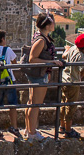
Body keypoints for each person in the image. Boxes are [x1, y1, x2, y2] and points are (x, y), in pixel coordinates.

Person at [23, 13, 64, 142]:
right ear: (47, 25)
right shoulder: (41, 40)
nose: (54, 25)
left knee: (31, 103)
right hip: (39, 76)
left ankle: (28, 129)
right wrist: (51, 63)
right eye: (53, 22)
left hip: (39, 74)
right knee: (35, 104)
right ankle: (32, 133)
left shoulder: (41, 37)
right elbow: (32, 59)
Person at [60, 33, 84, 138]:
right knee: (71, 106)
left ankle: (61, 126)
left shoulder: (72, 48)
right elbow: (81, 74)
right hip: (73, 82)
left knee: (63, 104)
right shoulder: (80, 56)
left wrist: (66, 49)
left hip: (64, 79)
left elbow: (64, 56)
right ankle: (68, 130)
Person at [0, 29, 21, 138]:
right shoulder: (8, 50)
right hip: (10, 80)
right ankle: (14, 127)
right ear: (2, 39)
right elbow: (15, 62)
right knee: (12, 105)